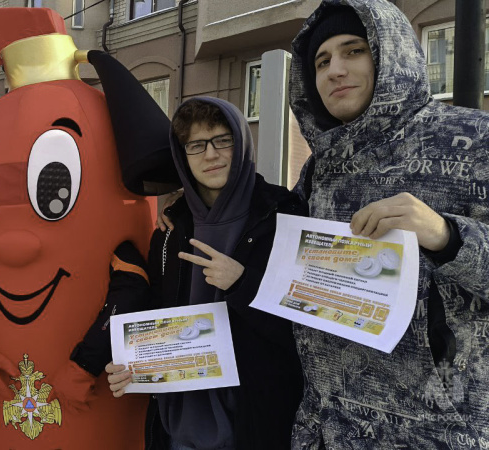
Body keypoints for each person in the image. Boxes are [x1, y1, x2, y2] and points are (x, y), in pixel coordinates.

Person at [286, 0, 489, 447]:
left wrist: (447, 236)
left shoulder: (475, 139)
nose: (335, 70)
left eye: (353, 50)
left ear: (390, 53)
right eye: (322, 61)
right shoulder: (320, 168)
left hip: (436, 432)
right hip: (327, 426)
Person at [107, 97, 306, 450]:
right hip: (178, 429)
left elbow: (303, 332)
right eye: (196, 145)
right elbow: (157, 314)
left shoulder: (283, 215)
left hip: (255, 424)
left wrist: (243, 283)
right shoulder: (171, 227)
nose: (210, 155)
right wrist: (132, 364)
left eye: (222, 139)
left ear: (242, 142)